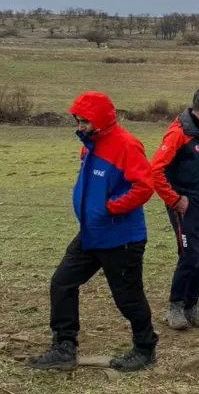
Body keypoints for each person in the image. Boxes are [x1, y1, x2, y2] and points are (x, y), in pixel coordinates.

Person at [27, 92, 158, 372]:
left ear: (100, 119)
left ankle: (145, 348)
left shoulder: (126, 145)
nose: (80, 126)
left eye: (84, 120)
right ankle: (64, 347)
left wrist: (111, 208)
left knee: (128, 298)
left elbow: (144, 186)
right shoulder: (89, 146)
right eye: (78, 120)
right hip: (90, 235)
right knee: (61, 283)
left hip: (121, 239)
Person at [151, 88, 199, 331]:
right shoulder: (178, 134)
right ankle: (175, 307)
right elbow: (155, 170)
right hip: (186, 208)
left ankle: (193, 305)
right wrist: (173, 199)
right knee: (189, 256)